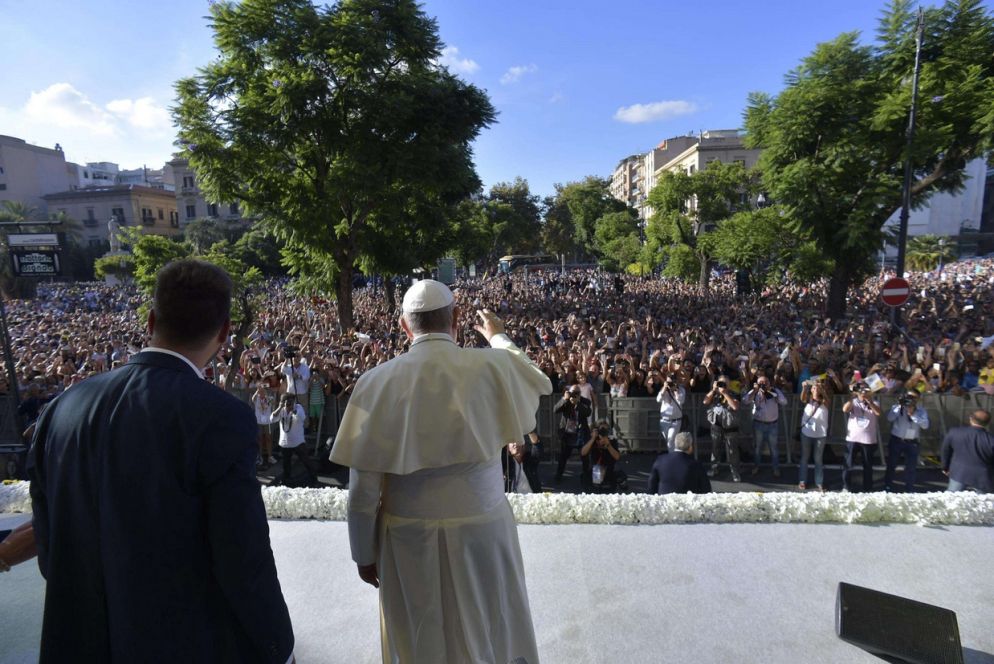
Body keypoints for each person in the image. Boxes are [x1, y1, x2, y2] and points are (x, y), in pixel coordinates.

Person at [27, 259, 294, 663]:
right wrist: (278, 646)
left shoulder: (62, 407)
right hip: (178, 644)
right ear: (224, 332)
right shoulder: (221, 417)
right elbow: (242, 556)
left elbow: (49, 547)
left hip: (76, 640)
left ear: (151, 320)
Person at [330, 280, 551, 664]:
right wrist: (497, 337)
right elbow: (531, 373)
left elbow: (363, 493)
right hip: (484, 530)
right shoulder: (494, 365)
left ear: (404, 326)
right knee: (491, 627)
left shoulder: (374, 382)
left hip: (407, 536)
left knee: (421, 638)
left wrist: (363, 553)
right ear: (457, 318)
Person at [884, 390, 930, 492]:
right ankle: (888, 486)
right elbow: (890, 418)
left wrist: (913, 414)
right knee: (892, 464)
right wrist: (899, 406)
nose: (911, 399)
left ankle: (909, 488)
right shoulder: (898, 407)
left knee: (911, 467)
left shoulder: (921, 410)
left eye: (914, 397)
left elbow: (925, 425)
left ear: (918, 399)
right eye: (909, 396)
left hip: (912, 442)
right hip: (897, 440)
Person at [742, 375, 788, 477]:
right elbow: (745, 401)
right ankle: (756, 466)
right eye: (760, 383)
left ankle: (775, 468)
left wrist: (772, 393)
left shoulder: (775, 391)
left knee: (774, 448)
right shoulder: (755, 392)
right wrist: (754, 391)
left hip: (772, 425)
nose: (763, 385)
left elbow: (784, 402)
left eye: (765, 382)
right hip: (758, 424)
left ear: (769, 383)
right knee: (757, 448)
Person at [941, 409, 994, 493]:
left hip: (959, 473)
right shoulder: (991, 440)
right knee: (983, 501)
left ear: (971, 418)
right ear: (987, 422)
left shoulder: (954, 432)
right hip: (983, 477)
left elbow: (946, 451)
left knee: (952, 498)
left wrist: (945, 467)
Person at [842, 384, 882, 492]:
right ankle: (846, 487)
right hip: (852, 439)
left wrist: (869, 401)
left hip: (868, 440)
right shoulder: (854, 402)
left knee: (868, 465)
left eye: (865, 390)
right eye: (861, 390)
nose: (863, 392)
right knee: (848, 464)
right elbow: (845, 409)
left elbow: (878, 413)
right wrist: (853, 396)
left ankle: (867, 488)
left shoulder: (874, 402)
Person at [272, 394, 317, 486]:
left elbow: (302, 418)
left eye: (291, 402)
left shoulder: (298, 407)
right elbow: (272, 419)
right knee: (286, 464)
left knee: (305, 461)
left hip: (298, 442)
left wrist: (293, 410)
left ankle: (313, 478)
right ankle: (286, 481)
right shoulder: (281, 410)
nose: (289, 404)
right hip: (285, 442)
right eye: (287, 402)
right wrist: (280, 407)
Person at [703, 375, 741, 482]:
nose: (723, 385)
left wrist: (725, 393)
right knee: (715, 449)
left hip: (730, 428)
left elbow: (735, 407)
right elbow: (705, 401)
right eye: (721, 383)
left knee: (732, 451)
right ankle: (714, 468)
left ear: (729, 384)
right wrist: (713, 390)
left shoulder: (734, 394)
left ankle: (735, 472)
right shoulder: (714, 394)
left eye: (725, 383)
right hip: (716, 427)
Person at [553, 385, 593, 484]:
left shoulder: (585, 401)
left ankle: (586, 477)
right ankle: (559, 475)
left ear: (580, 393)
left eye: (577, 393)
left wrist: (577, 403)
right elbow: (555, 410)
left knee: (585, 456)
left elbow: (588, 412)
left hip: (580, 433)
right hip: (567, 433)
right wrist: (564, 399)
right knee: (563, 456)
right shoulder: (566, 401)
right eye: (572, 392)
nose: (574, 394)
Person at [797, 380, 830, 491]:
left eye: (817, 388)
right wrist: (804, 388)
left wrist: (822, 390)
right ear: (811, 390)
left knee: (818, 459)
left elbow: (828, 402)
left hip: (820, 434)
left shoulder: (824, 401)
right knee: (804, 457)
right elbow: (802, 398)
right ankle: (802, 481)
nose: (816, 389)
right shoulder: (808, 400)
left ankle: (819, 482)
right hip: (806, 432)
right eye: (814, 388)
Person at [580, 421, 624, 492]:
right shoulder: (593, 440)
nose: (603, 432)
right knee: (585, 477)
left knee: (620, 476)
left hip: (608, 470)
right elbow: (583, 453)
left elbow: (617, 457)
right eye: (602, 429)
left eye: (606, 430)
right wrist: (593, 438)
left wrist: (608, 445)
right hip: (596, 469)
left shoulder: (612, 441)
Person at [656, 374, 686, 452]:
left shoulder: (681, 390)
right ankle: (677, 454)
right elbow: (658, 399)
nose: (671, 384)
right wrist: (664, 388)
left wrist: (676, 391)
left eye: (672, 382)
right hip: (664, 421)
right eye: (669, 382)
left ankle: (672, 457)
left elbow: (681, 401)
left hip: (676, 421)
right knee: (670, 441)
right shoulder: (664, 390)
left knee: (670, 441)